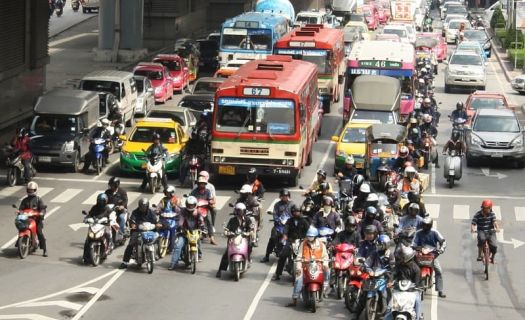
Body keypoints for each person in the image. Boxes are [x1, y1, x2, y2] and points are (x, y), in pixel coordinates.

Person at [287, 226, 330, 307]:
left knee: (327, 271)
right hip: (306, 266)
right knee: (298, 279)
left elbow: (325, 257)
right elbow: (299, 257)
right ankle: (294, 300)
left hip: (318, 266)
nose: (310, 238)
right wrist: (298, 268)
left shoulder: (321, 245)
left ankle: (325, 289)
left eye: (311, 236)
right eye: (309, 236)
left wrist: (325, 265)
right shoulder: (303, 244)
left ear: (315, 236)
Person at [216, 202, 256, 278]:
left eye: (241, 211)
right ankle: (220, 270)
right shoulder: (232, 220)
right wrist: (227, 232)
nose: (239, 213)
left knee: (250, 246)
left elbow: (251, 228)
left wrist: (248, 233)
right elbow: (227, 229)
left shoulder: (247, 220)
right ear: (235, 211)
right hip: (233, 239)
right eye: (238, 211)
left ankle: (248, 259)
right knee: (226, 253)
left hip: (244, 239)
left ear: (244, 211)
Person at [119, 198, 160, 269]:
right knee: (131, 244)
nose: (143, 208)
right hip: (138, 230)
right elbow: (132, 219)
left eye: (144, 207)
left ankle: (157, 254)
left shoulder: (151, 212)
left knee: (157, 239)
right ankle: (125, 262)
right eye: (141, 207)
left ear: (147, 206)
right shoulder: (135, 212)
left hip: (149, 230)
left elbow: (155, 221)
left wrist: (157, 225)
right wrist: (133, 224)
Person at [411, 217, 447, 298]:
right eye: (424, 225)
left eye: (427, 225)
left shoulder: (435, 232)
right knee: (412, 269)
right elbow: (413, 243)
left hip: (432, 255)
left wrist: (440, 251)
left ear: (430, 225)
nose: (425, 227)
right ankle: (411, 286)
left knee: (439, 271)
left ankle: (440, 290)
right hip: (420, 254)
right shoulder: (418, 233)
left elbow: (443, 242)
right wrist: (415, 248)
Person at [273, 205, 310, 280]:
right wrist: (285, 235)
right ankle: (277, 274)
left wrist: (307, 238)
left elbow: (308, 230)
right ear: (292, 212)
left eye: (298, 212)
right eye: (295, 212)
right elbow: (286, 228)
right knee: (283, 255)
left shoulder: (304, 221)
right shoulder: (289, 221)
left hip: (302, 241)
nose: (296, 213)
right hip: (291, 241)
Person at [385, 246, 422, 320]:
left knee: (418, 300)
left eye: (402, 257)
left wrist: (416, 287)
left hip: (412, 291)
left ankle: (418, 317)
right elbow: (393, 273)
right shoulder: (399, 265)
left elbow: (417, 283)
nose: (400, 258)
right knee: (389, 306)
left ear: (407, 257)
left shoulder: (416, 269)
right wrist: (390, 281)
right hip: (398, 289)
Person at [169, 196, 205, 269]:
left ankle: (199, 255)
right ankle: (173, 263)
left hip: (195, 232)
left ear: (195, 205)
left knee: (198, 241)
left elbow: (202, 221)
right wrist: (180, 227)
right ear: (186, 204)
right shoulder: (183, 211)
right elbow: (180, 220)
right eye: (189, 205)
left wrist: (203, 228)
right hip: (185, 232)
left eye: (192, 205)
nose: (190, 206)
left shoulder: (198, 212)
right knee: (178, 245)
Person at [261, 188, 295, 263]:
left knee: (294, 240)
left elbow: (295, 212)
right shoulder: (277, 205)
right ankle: (267, 256)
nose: (284, 197)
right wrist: (277, 219)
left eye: (286, 196)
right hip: (279, 225)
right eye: (283, 196)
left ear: (288, 196)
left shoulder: (292, 204)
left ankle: (291, 260)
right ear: (280, 197)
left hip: (289, 226)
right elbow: (275, 214)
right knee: (272, 238)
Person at [19, 182, 47, 257]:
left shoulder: (38, 200)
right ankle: (19, 241)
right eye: (29, 190)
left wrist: (41, 213)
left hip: (37, 220)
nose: (30, 191)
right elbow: (21, 209)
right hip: (26, 219)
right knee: (21, 228)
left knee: (39, 233)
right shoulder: (24, 200)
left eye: (32, 190)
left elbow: (43, 208)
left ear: (36, 190)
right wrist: (19, 212)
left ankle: (45, 249)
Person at [83, 193, 112, 263]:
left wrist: (105, 219)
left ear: (105, 201)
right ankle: (85, 256)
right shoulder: (94, 207)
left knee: (107, 234)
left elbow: (106, 214)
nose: (100, 203)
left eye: (102, 201)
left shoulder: (107, 208)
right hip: (95, 225)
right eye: (99, 201)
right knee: (88, 239)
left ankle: (108, 248)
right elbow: (90, 214)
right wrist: (86, 218)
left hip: (104, 225)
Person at [190, 176, 217, 245]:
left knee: (209, 220)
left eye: (203, 183)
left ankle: (212, 238)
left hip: (204, 208)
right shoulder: (194, 191)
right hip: (196, 208)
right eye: (200, 183)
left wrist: (211, 202)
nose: (202, 185)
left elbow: (210, 199)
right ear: (198, 184)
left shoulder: (207, 191)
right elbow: (190, 198)